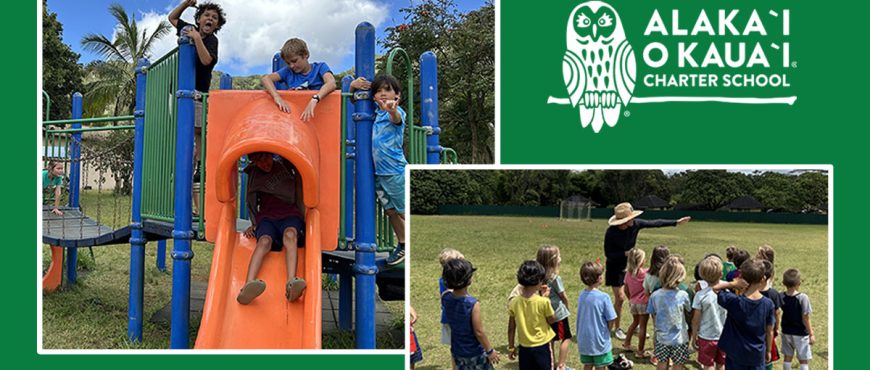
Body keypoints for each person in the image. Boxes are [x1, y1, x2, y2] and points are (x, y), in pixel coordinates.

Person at [168, 0, 226, 215]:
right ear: (199, 18)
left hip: (198, 95)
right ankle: (191, 160)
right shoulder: (188, 28)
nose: (210, 19)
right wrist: (186, 3)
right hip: (181, 94)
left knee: (200, 131)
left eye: (214, 18)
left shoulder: (212, 40)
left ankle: (199, 163)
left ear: (217, 25)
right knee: (187, 134)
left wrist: (196, 39)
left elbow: (206, 61)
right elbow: (172, 18)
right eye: (206, 15)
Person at [604, 202, 690, 340]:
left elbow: (654, 223)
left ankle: (636, 322)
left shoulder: (636, 224)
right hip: (615, 268)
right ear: (622, 221)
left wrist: (676, 222)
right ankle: (617, 328)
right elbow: (609, 254)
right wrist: (625, 254)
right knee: (620, 298)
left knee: (634, 297)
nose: (633, 220)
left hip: (632, 266)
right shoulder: (611, 233)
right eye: (630, 219)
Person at [350, 75, 408, 266]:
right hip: (379, 174)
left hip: (395, 172)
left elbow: (396, 118)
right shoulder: (375, 112)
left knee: (403, 212)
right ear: (373, 97)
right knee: (390, 211)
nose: (383, 94)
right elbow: (354, 102)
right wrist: (352, 87)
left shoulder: (396, 111)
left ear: (397, 95)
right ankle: (403, 243)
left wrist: (391, 109)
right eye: (378, 91)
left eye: (388, 90)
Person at [236, 152, 306, 304]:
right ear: (254, 162)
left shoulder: (284, 165)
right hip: (267, 218)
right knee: (264, 242)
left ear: (271, 155)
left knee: (290, 235)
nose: (264, 164)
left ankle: (291, 283)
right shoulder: (255, 174)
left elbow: (299, 179)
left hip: (290, 214)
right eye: (259, 161)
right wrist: (254, 223)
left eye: (266, 158)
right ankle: (248, 285)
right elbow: (251, 201)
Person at [713, 259, 775, 370]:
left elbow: (715, 288)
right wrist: (769, 350)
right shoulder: (768, 304)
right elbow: (769, 331)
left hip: (735, 353)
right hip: (756, 354)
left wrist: (733, 283)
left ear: (741, 277)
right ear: (763, 278)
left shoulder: (734, 301)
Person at [442, 258, 500, 370]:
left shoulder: (445, 297)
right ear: (467, 279)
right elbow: (479, 332)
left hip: (457, 350)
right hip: (475, 352)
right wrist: (490, 351)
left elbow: (448, 292)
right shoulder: (473, 304)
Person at [261, 38, 337, 121]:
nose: (291, 66)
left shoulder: (320, 67)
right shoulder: (288, 71)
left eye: (294, 61)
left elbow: (331, 83)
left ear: (306, 55)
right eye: (288, 63)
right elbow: (266, 78)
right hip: (297, 118)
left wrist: (314, 99)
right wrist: (277, 97)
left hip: (320, 116)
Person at [508, 260, 556, 370]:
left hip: (524, 347)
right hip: (542, 345)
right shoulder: (543, 302)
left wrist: (511, 347)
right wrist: (545, 298)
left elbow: (511, 328)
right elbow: (552, 320)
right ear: (538, 281)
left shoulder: (514, 302)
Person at [647, 256, 692, 370]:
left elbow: (653, 314)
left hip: (661, 338)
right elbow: (689, 310)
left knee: (661, 364)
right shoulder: (683, 295)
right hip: (680, 339)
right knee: (678, 366)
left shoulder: (655, 295)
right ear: (680, 277)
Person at [576, 261, 618, 370]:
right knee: (601, 366)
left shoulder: (581, 295)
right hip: (599, 341)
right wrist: (607, 331)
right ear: (599, 278)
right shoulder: (604, 297)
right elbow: (611, 318)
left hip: (584, 340)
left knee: (587, 365)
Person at [536, 245, 573, 370]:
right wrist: (567, 307)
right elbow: (563, 296)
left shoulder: (539, 277)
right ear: (553, 260)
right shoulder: (556, 278)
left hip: (545, 313)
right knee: (566, 338)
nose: (560, 258)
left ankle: (551, 363)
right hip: (558, 314)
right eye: (559, 256)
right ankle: (561, 365)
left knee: (550, 339)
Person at [691, 256, 728, 370]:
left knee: (708, 365)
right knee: (721, 363)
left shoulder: (700, 295)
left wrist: (694, 336)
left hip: (706, 336)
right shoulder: (726, 291)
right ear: (721, 274)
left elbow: (696, 319)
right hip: (724, 335)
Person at [780, 268, 814, 370]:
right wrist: (811, 333)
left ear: (783, 282)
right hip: (800, 333)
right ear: (799, 282)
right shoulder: (803, 298)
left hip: (786, 331)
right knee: (803, 359)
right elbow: (805, 317)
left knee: (787, 357)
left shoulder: (781, 296)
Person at [439, 248, 466, 370]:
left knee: (457, 344)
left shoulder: (446, 280)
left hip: (452, 317)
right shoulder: (449, 283)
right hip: (453, 318)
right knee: (457, 344)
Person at [623, 248, 651, 359]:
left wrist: (631, 298)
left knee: (634, 323)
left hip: (633, 303)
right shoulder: (646, 273)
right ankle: (640, 351)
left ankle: (627, 343)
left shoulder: (628, 274)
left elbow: (625, 289)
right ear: (641, 261)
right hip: (644, 304)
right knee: (643, 326)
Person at [758, 260, 783, 370]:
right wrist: (777, 327)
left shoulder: (750, 291)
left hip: (752, 331)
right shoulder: (774, 294)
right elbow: (777, 313)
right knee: (768, 358)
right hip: (769, 330)